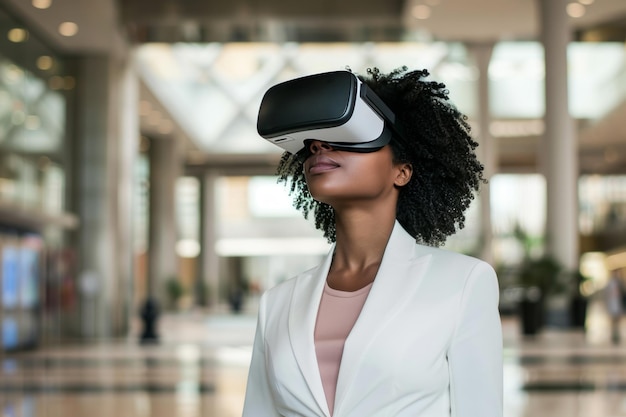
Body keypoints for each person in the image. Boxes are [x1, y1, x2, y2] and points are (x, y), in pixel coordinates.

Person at [243, 67, 503, 417]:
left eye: (346, 135)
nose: (319, 146)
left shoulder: (463, 283)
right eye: (312, 143)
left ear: (402, 171)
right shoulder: (277, 303)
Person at [605, 270, 624, 344]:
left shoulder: (620, 283)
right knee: (613, 321)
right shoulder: (609, 283)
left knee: (617, 321)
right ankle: (613, 335)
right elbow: (606, 294)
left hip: (618, 304)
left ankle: (617, 335)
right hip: (612, 304)